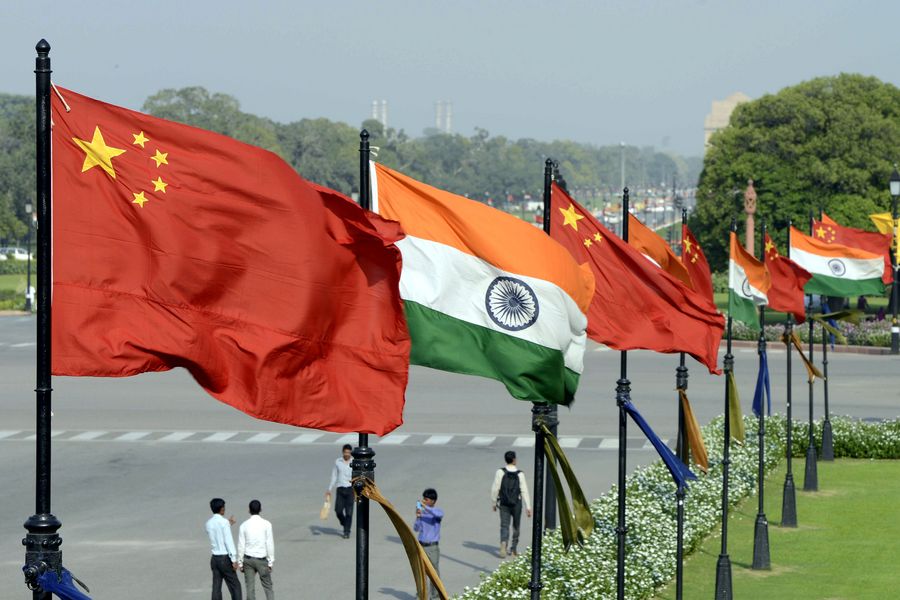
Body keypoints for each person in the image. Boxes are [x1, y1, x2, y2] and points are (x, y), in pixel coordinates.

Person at [490, 450, 532, 558]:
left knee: (504, 525)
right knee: (516, 526)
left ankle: (503, 543)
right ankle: (513, 548)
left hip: (504, 503)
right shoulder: (520, 474)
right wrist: (528, 506)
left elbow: (495, 488)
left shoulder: (500, 472)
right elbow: (524, 490)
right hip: (516, 504)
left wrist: (494, 502)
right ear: (514, 460)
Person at [206, 498, 242, 600]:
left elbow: (217, 534)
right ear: (222, 509)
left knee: (216, 586)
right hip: (225, 558)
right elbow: (228, 541)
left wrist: (228, 524)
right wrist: (234, 559)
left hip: (215, 559)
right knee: (235, 585)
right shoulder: (224, 522)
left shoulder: (208, 523)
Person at [238, 499, 275, 600]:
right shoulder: (267, 524)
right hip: (262, 560)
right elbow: (269, 544)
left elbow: (241, 545)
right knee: (268, 587)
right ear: (260, 509)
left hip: (248, 560)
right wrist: (270, 562)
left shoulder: (243, 525)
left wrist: (240, 563)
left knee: (250, 588)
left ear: (249, 510)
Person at [414, 488, 444, 600]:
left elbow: (439, 514)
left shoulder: (437, 512)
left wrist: (424, 508)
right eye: (423, 499)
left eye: (426, 499)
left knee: (434, 573)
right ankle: (421, 596)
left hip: (432, 547)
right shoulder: (423, 514)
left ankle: (435, 597)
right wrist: (418, 517)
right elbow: (416, 528)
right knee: (420, 572)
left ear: (433, 501)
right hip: (421, 546)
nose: (424, 501)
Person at [325, 443, 354, 538]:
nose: (347, 454)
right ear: (343, 452)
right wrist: (329, 488)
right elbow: (334, 476)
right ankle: (345, 523)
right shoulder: (338, 462)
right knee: (338, 511)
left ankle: (347, 531)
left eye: (349, 453)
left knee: (349, 512)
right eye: (346, 452)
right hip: (340, 489)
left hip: (350, 489)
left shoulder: (354, 462)